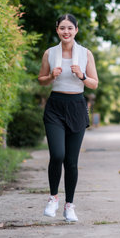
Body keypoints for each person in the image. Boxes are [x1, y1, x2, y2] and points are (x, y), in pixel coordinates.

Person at [38, 14, 98, 222]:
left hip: (76, 107)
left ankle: (69, 205)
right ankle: (53, 197)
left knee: (71, 162)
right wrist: (50, 76)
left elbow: (94, 83)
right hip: (55, 107)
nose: (66, 32)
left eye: (70, 28)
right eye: (62, 28)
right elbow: (41, 80)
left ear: (76, 30)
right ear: (57, 30)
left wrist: (82, 75)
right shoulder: (50, 53)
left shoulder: (85, 54)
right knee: (57, 155)